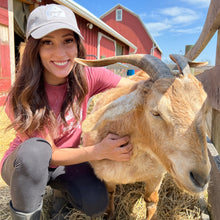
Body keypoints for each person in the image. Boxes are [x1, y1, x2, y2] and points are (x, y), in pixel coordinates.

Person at [0, 4, 133, 220]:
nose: (61, 53)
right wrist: (99, 150)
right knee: (35, 153)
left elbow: (132, 87)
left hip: (68, 161)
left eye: (67, 40)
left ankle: (62, 195)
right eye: (47, 42)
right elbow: (49, 154)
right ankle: (27, 212)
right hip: (26, 166)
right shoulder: (21, 94)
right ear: (35, 48)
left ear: (77, 44)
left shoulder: (86, 76)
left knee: (96, 202)